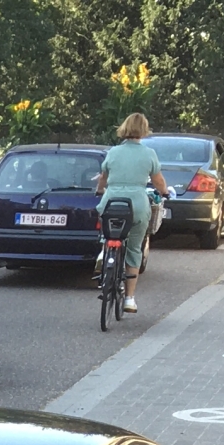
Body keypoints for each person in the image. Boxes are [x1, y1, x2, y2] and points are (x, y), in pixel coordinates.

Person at [95, 113, 170, 311]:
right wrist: (165, 192)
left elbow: (104, 177)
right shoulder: (149, 154)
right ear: (144, 130)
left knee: (108, 232)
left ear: (124, 128)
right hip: (136, 204)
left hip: (110, 202)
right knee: (134, 248)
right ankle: (129, 298)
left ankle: (104, 253)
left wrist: (99, 190)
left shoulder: (113, 152)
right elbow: (158, 181)